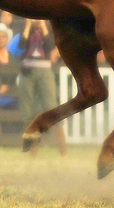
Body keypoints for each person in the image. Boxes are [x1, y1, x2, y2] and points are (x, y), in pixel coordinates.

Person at [18, 19, 67, 156]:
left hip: (45, 70)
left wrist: (43, 26)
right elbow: (21, 46)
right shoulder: (25, 27)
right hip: (27, 71)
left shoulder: (49, 28)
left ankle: (62, 148)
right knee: (28, 112)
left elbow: (50, 47)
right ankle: (33, 151)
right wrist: (28, 26)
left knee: (51, 108)